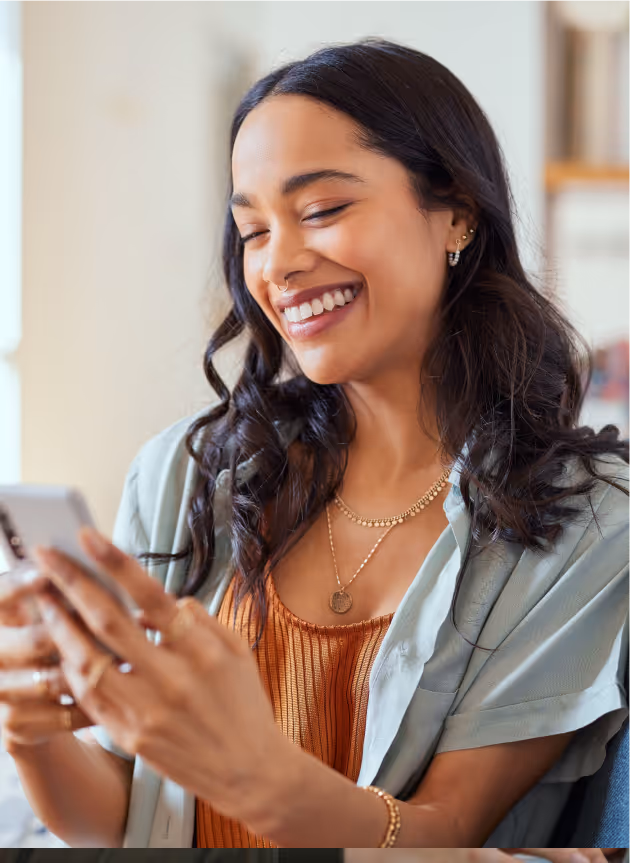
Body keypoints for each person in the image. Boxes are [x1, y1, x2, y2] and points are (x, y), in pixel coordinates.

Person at [0, 38, 629, 850]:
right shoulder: (189, 474)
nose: (280, 264)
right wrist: (31, 730)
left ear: (458, 214)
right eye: (252, 230)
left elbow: (445, 832)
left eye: (323, 210)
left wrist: (253, 775)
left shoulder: (583, 521)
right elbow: (120, 812)